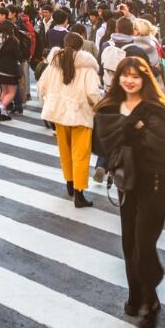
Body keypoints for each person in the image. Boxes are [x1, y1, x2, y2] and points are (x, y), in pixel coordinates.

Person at [94, 54, 165, 328]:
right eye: (125, 75)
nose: (130, 80)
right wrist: (135, 129)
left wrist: (135, 130)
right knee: (129, 243)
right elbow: (102, 144)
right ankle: (136, 295)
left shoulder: (155, 108)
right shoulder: (109, 107)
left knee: (144, 245)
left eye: (136, 75)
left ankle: (150, 299)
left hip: (152, 182)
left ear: (145, 78)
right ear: (117, 77)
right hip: (126, 183)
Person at [37, 31, 101, 208]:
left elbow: (41, 88)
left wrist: (49, 101)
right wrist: (97, 107)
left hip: (58, 113)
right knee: (80, 155)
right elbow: (93, 94)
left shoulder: (54, 63)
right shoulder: (87, 67)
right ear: (81, 47)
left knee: (65, 152)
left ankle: (70, 184)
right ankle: (79, 194)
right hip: (80, 114)